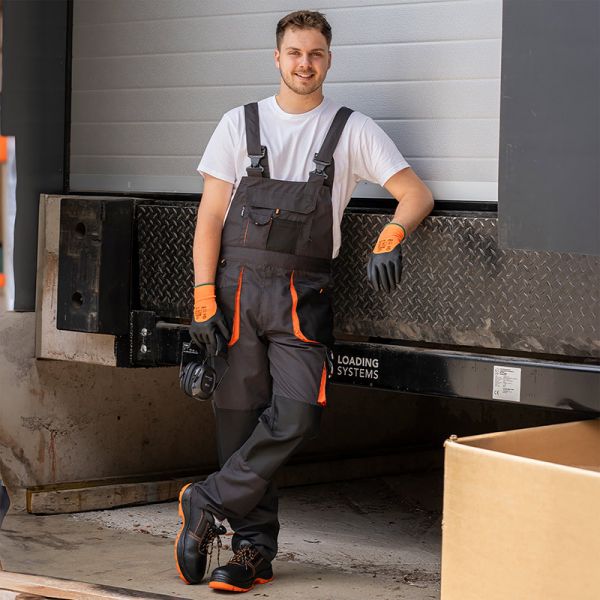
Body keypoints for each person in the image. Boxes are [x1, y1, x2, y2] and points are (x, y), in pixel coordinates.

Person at [175, 10, 433, 593]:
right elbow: (210, 216)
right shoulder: (239, 123)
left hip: (304, 294)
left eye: (315, 53)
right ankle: (252, 552)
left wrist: (392, 234)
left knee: (297, 414)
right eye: (294, 52)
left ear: (328, 60)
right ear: (277, 58)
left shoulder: (352, 129)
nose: (304, 63)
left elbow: (415, 194)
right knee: (239, 423)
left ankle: (207, 500)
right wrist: (202, 295)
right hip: (236, 290)